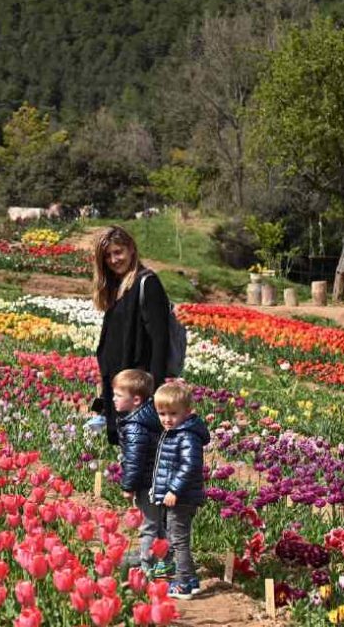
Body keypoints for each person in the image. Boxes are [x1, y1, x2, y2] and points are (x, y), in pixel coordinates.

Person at [88, 226, 173, 444]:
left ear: (131, 250)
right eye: (107, 255)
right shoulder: (117, 286)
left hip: (137, 389)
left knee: (136, 451)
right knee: (124, 449)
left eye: (119, 252)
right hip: (118, 386)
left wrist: (154, 395)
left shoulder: (147, 283)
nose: (114, 259)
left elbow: (159, 341)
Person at [150, 381, 209, 599]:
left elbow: (190, 466)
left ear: (187, 411)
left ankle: (183, 583)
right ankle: (191, 578)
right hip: (176, 495)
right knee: (176, 537)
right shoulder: (176, 432)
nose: (166, 419)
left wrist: (173, 490)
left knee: (179, 540)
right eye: (161, 413)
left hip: (182, 497)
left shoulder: (187, 436)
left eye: (173, 413)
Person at [113, 369, 170, 577]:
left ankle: (146, 568)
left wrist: (129, 486)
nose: (113, 399)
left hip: (148, 483)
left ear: (136, 399)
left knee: (149, 525)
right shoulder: (149, 416)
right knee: (160, 524)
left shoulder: (136, 425)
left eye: (118, 395)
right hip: (160, 479)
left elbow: (135, 461)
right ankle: (166, 561)